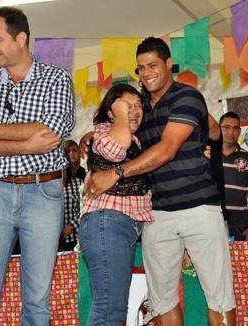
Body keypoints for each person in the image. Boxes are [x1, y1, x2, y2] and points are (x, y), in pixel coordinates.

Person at [84, 37, 236, 325]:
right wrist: (90, 137)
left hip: (199, 207)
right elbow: (116, 133)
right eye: (141, 68)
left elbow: (166, 150)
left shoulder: (187, 97)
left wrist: (115, 173)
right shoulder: (138, 106)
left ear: (169, 64)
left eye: (153, 65)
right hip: (156, 214)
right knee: (161, 300)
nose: (147, 73)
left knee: (219, 296)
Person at [0, 7, 75, 324]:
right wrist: (27, 143)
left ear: (21, 38)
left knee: (37, 302)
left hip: (43, 193)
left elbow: (52, 131)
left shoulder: (56, 78)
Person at [80, 83, 152, 325]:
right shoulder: (104, 132)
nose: (134, 111)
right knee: (109, 308)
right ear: (111, 111)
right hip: (106, 222)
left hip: (119, 226)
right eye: (126, 105)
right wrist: (121, 116)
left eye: (138, 106)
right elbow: (116, 151)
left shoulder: (137, 139)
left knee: (114, 307)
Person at [219, 112, 248, 241]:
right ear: (218, 128)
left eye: (235, 128)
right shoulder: (208, 155)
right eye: (226, 127)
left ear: (240, 131)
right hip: (211, 223)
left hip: (239, 225)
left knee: (238, 262)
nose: (231, 131)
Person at [60, 140, 86, 252]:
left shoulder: (82, 176)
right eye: (68, 151)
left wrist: (70, 226)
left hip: (74, 235)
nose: (71, 154)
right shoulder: (56, 179)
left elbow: (85, 206)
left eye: (74, 150)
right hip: (55, 235)